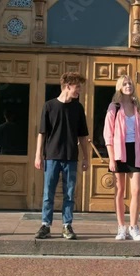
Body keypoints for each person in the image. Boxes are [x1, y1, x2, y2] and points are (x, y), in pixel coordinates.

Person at [34, 72, 89, 240]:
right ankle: (45, 225)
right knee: (48, 192)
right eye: (77, 87)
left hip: (71, 157)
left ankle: (67, 225)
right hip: (51, 156)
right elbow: (42, 133)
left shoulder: (78, 108)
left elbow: (83, 136)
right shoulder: (49, 106)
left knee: (70, 193)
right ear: (67, 86)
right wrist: (38, 156)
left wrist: (86, 157)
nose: (79, 90)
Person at [103, 75, 140, 241]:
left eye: (130, 83)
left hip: (136, 151)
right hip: (118, 152)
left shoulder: (139, 107)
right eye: (125, 83)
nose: (128, 85)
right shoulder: (114, 107)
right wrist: (111, 158)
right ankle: (121, 227)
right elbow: (108, 134)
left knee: (136, 191)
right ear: (119, 87)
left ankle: (134, 227)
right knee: (120, 191)